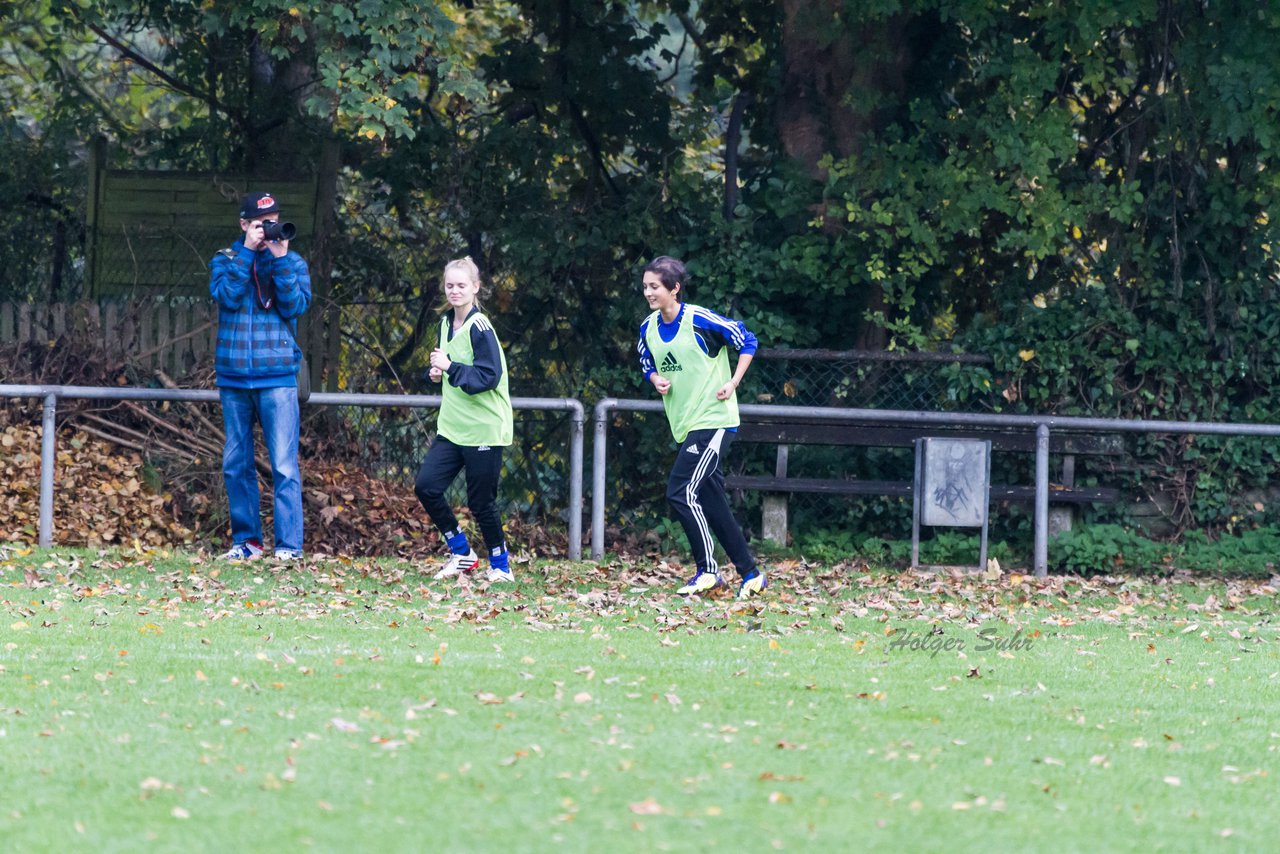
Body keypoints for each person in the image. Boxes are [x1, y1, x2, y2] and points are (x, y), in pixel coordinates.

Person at [637, 255, 767, 599]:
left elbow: (747, 340)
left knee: (679, 491)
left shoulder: (699, 320)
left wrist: (734, 382)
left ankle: (708, 570)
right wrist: (654, 378)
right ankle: (751, 574)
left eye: (655, 286)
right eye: (646, 286)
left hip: (715, 421)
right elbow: (645, 358)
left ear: (674, 289)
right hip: (686, 424)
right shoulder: (647, 327)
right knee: (712, 502)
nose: (648, 292)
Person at [208, 192, 311, 561]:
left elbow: (296, 306)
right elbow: (227, 297)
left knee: (284, 465)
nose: (268, 228)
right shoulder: (226, 259)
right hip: (235, 378)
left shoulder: (293, 262)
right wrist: (249, 252)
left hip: (278, 378)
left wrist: (279, 261)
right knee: (236, 464)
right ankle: (247, 543)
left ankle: (289, 548)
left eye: (272, 220)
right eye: (259, 222)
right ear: (243, 224)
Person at [415, 257, 515, 583]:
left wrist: (449, 368)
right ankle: (462, 552)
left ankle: (500, 566)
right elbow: (451, 368)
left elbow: (487, 377)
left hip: (484, 428)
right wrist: (437, 372)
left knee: (481, 502)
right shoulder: (445, 323)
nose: (455, 291)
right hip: (453, 428)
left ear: (475, 287)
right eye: (450, 285)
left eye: (461, 285)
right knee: (427, 487)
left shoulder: (481, 327)